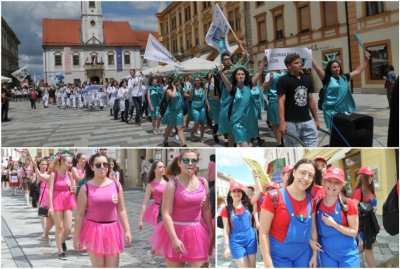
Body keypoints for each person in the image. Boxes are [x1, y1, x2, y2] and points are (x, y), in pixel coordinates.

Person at [151, 149, 212, 267]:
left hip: (198, 233)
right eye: (186, 160)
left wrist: (211, 233)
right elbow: (166, 214)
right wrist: (174, 238)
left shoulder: (203, 182)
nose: (190, 163)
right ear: (179, 163)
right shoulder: (172, 184)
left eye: (194, 160)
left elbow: (206, 210)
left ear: (197, 163)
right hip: (176, 232)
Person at [73, 153, 132, 268]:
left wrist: (127, 230)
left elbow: (122, 210)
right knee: (99, 266)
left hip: (113, 230)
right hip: (93, 230)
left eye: (105, 164)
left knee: (113, 266)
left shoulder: (116, 185)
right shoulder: (86, 188)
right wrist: (76, 238)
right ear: (92, 167)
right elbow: (79, 214)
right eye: (98, 165)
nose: (102, 167)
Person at [259, 159, 317, 268]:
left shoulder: (311, 200)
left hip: (303, 255)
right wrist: (268, 263)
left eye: (310, 175)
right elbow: (263, 233)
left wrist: (314, 254)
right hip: (279, 257)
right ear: (294, 172)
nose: (306, 178)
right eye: (303, 172)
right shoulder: (273, 197)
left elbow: (313, 228)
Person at [311, 167, 359, 268]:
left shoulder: (348, 203)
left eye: (337, 182)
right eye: (329, 180)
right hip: (327, 255)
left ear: (342, 185)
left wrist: (334, 225)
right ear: (323, 182)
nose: (332, 185)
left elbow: (354, 232)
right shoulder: (317, 205)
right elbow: (313, 229)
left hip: (348, 256)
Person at [312, 51, 371, 130]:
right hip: (330, 110)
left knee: (346, 131)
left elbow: (358, 71)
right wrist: (309, 55)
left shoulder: (344, 77)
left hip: (344, 109)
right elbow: (317, 68)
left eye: (338, 66)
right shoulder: (326, 79)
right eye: (334, 67)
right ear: (330, 69)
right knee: (335, 132)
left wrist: (366, 60)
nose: (337, 69)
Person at [277, 54, 319, 147]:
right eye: (296, 63)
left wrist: (316, 119)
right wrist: (282, 123)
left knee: (313, 146)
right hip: (291, 123)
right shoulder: (283, 80)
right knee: (293, 148)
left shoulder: (307, 79)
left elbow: (310, 100)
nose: (300, 64)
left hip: (307, 120)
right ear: (289, 66)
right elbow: (281, 102)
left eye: (300, 62)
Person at [221, 172, 262, 268]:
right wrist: (226, 247)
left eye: (239, 191)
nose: (236, 193)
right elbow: (226, 229)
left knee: (252, 266)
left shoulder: (248, 204)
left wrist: (255, 177)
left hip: (250, 240)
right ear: (230, 194)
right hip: (236, 243)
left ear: (242, 194)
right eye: (234, 191)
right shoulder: (226, 210)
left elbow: (259, 191)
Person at [218, 65, 259, 147]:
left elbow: (259, 72)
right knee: (244, 145)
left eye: (243, 74)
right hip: (236, 121)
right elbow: (225, 81)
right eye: (238, 74)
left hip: (247, 121)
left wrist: (263, 62)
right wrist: (221, 73)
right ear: (235, 77)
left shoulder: (249, 86)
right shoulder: (232, 89)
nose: (241, 76)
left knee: (245, 142)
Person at [48, 154, 76, 259]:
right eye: (68, 162)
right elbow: (50, 191)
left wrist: (74, 190)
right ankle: (60, 250)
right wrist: (50, 207)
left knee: (68, 227)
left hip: (68, 200)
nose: (70, 164)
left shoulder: (70, 174)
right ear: (62, 162)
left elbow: (72, 189)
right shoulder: (53, 175)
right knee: (59, 227)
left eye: (71, 163)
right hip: (56, 200)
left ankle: (62, 240)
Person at [352, 166, 379, 267]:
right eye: (369, 176)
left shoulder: (370, 191)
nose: (371, 178)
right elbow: (353, 209)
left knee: (368, 245)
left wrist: (376, 222)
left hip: (371, 222)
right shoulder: (359, 191)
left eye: (371, 176)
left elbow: (372, 208)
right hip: (363, 224)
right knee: (369, 247)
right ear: (363, 177)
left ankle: (349, 254)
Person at [138, 160, 168, 232]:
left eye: (163, 167)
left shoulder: (169, 182)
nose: (163, 168)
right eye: (160, 167)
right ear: (154, 169)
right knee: (161, 232)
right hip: (158, 211)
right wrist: (140, 219)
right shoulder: (150, 184)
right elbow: (145, 203)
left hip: (169, 210)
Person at [33, 158, 55, 242]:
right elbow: (35, 184)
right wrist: (38, 177)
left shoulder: (50, 174)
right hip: (42, 196)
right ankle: (44, 232)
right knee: (43, 215)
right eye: (42, 164)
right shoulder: (36, 174)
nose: (44, 166)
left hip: (50, 195)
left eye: (46, 164)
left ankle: (46, 231)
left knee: (50, 215)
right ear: (39, 165)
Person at [162, 78, 187, 147]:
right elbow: (173, 95)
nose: (179, 82)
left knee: (180, 128)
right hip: (171, 111)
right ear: (173, 82)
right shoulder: (168, 90)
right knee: (169, 127)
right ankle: (165, 140)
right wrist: (173, 87)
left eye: (179, 81)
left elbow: (184, 96)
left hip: (179, 111)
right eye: (177, 81)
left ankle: (184, 145)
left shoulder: (180, 89)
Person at [264, 70, 286, 146]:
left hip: (285, 100)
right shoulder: (269, 74)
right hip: (274, 100)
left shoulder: (285, 72)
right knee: (276, 123)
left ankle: (283, 140)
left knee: (285, 122)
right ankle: (279, 143)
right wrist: (270, 79)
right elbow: (265, 89)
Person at [190, 76, 207, 142]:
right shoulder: (193, 89)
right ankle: (192, 132)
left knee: (202, 123)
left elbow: (205, 98)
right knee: (196, 122)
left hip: (202, 107)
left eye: (198, 80)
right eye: (196, 80)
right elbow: (190, 99)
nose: (197, 81)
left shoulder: (204, 89)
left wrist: (208, 106)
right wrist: (191, 92)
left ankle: (202, 137)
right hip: (194, 107)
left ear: (200, 81)